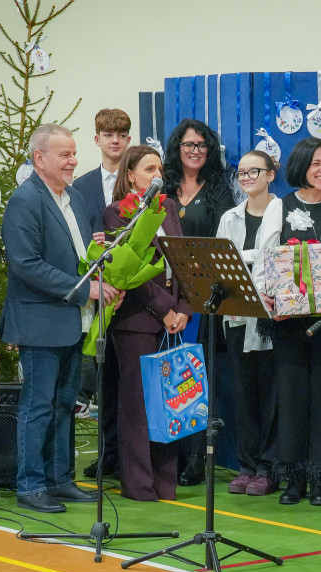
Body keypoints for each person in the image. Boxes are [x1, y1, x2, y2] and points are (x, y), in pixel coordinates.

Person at [0, 123, 117, 513]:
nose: (73, 161)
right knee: (38, 406)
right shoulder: (25, 200)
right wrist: (87, 290)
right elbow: (26, 264)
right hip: (40, 324)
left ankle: (60, 479)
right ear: (39, 159)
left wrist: (96, 249)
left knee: (65, 404)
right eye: (64, 154)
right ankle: (30, 485)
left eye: (73, 153)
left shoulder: (74, 199)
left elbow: (74, 254)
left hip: (71, 323)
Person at [252, 137, 321, 506]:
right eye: (316, 163)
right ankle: (293, 478)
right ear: (301, 165)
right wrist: (265, 293)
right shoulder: (278, 208)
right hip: (289, 320)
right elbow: (264, 260)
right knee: (291, 394)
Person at [103, 144, 191, 501]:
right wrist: (166, 309)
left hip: (174, 318)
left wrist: (185, 306)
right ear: (130, 175)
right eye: (149, 169)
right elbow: (131, 273)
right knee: (137, 405)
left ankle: (166, 483)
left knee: (168, 401)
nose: (158, 174)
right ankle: (139, 484)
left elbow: (182, 257)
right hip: (137, 320)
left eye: (160, 169)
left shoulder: (168, 206)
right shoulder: (117, 212)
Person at [162, 118, 235, 486]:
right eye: (189, 145)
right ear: (177, 148)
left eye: (202, 146)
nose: (195, 151)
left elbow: (223, 240)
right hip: (166, 296)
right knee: (170, 378)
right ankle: (167, 458)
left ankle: (196, 459)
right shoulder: (163, 188)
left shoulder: (220, 189)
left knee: (198, 380)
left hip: (204, 299)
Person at [72, 108, 132, 480]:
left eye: (122, 134)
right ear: (96, 139)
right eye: (107, 134)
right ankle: (107, 452)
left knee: (129, 380)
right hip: (97, 294)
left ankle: (132, 454)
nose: (115, 140)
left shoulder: (142, 182)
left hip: (134, 291)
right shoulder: (81, 186)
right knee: (103, 377)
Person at [215, 150, 279, 496]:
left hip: (273, 318)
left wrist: (248, 258)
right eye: (241, 173)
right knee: (243, 393)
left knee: (270, 393)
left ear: (271, 175)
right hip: (238, 315)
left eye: (254, 171)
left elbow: (280, 260)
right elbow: (224, 261)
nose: (247, 178)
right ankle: (246, 464)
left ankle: (269, 466)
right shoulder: (230, 218)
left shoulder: (284, 213)